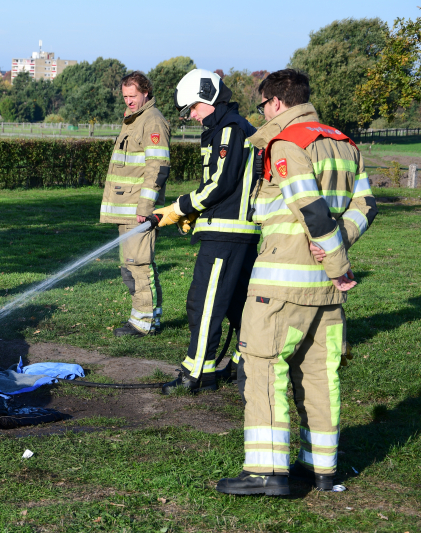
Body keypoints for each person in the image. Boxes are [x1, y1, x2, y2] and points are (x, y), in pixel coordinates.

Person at [216, 69, 377, 496]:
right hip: (324, 295)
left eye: (263, 106)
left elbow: (311, 209)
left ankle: (267, 472)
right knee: (320, 377)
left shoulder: (289, 143)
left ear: (277, 103)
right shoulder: (344, 143)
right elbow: (367, 204)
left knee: (264, 368)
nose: (262, 114)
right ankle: (321, 468)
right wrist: (342, 244)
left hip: (282, 287)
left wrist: (336, 262)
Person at [157, 69, 260, 395]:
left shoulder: (229, 130)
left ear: (209, 99)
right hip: (235, 231)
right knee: (238, 303)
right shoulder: (233, 127)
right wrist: (196, 212)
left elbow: (220, 183)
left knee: (204, 302)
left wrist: (180, 208)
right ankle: (246, 360)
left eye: (194, 108)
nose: (193, 116)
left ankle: (197, 372)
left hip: (226, 234)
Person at [100, 71, 171, 337]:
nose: (129, 101)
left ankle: (145, 322)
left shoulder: (152, 121)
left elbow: (158, 168)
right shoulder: (135, 119)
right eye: (125, 96)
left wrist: (145, 209)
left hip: (138, 211)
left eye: (133, 96)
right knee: (130, 265)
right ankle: (142, 317)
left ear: (146, 93)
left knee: (139, 265)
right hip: (127, 209)